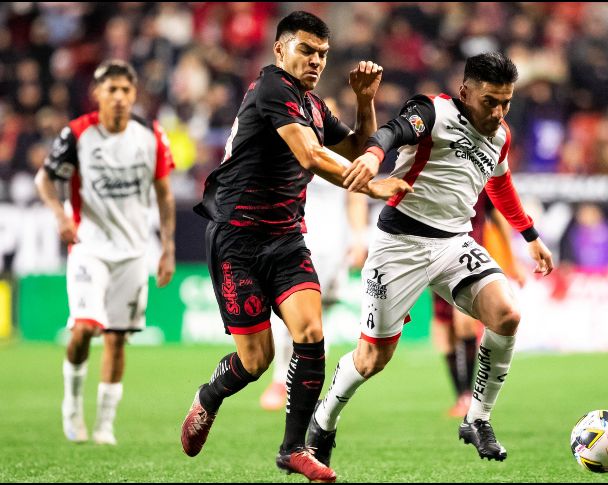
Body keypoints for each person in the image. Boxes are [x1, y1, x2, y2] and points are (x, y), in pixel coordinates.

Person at [178, 11, 410, 483]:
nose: (316, 61)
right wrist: (372, 187)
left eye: (322, 53)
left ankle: (292, 449)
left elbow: (356, 148)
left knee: (311, 334)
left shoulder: (313, 105)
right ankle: (209, 395)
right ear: (280, 49)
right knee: (255, 361)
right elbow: (310, 154)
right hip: (237, 239)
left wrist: (365, 101)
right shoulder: (271, 88)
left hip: (285, 238)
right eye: (306, 50)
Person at [306, 52, 554, 469]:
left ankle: (477, 418)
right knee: (371, 359)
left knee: (507, 315)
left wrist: (530, 235)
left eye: (506, 103)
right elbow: (393, 131)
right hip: (399, 245)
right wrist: (372, 156)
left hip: (453, 243)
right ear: (465, 92)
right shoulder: (434, 111)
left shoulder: (500, 136)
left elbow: (500, 185)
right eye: (490, 101)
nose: (498, 112)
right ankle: (323, 420)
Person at [34, 60, 176, 446]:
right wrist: (60, 215)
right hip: (89, 248)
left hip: (133, 253)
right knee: (83, 329)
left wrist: (167, 248)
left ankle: (104, 425)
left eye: (125, 90)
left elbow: (164, 194)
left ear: (134, 94)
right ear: (97, 93)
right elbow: (44, 179)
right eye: (111, 90)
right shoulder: (78, 133)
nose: (118, 97)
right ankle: (72, 406)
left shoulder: (150, 134)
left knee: (116, 338)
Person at [260, 185, 368, 411]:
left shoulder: (348, 160)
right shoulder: (297, 160)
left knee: (321, 317)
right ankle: (280, 380)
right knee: (288, 310)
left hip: (335, 245)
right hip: (296, 239)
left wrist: (359, 239)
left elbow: (356, 196)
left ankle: (308, 383)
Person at [433, 190, 527, 418]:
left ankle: (469, 396)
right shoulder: (436, 178)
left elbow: (497, 217)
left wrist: (512, 261)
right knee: (443, 331)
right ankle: (460, 395)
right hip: (436, 259)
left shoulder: (481, 179)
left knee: (464, 323)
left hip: (469, 258)